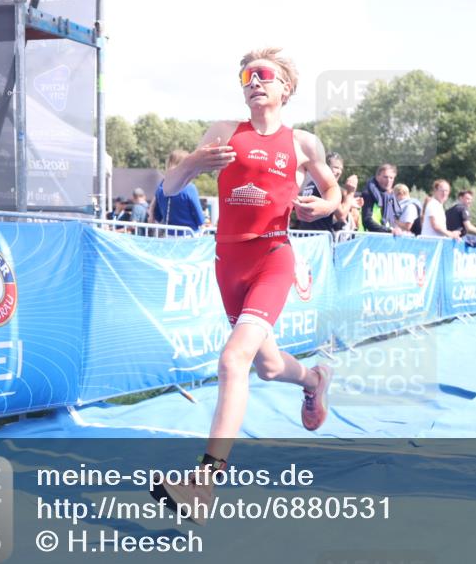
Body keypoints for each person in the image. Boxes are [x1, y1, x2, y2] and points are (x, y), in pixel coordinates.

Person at [154, 47, 340, 522]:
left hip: (272, 258)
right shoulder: (221, 133)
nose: (254, 81)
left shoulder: (303, 144)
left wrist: (326, 205)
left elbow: (333, 191)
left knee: (233, 359)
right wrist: (195, 161)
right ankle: (315, 380)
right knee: (269, 366)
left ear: (285, 89)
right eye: (247, 75)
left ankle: (202, 485)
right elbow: (170, 187)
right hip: (227, 262)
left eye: (265, 75)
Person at [295, 152, 355, 232]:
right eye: (336, 167)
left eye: (341, 169)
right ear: (326, 167)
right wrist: (350, 193)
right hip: (319, 238)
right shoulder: (325, 187)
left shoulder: (312, 183)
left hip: (306, 235)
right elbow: (341, 216)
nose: (339, 172)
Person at [151, 149, 206, 234]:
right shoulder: (189, 188)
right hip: (189, 236)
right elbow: (200, 218)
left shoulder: (161, 188)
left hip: (168, 236)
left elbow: (158, 216)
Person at [360, 163, 399, 233]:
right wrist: (388, 231)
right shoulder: (368, 194)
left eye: (391, 178)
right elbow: (366, 220)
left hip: (383, 238)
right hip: (368, 239)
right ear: (377, 177)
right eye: (385, 177)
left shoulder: (390, 197)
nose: (388, 181)